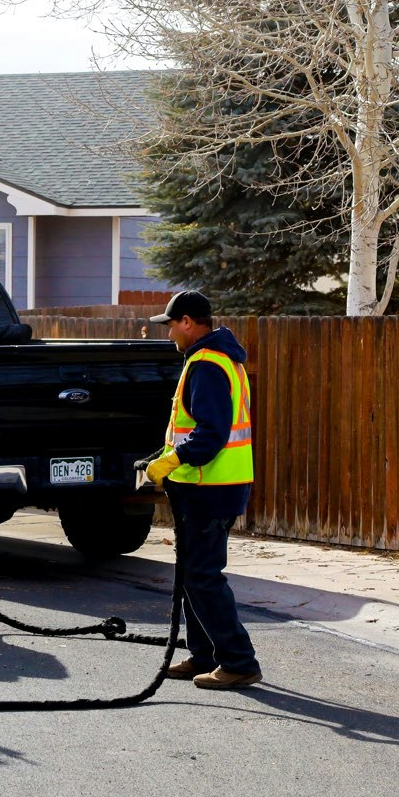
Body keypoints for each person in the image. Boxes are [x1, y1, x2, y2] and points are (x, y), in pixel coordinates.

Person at [141, 290, 264, 689]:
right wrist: (160, 457)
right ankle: (204, 655)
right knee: (194, 574)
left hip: (210, 487)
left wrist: (172, 461)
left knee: (203, 576)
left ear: (189, 322)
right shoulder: (215, 359)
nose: (171, 333)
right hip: (209, 486)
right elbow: (189, 428)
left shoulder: (208, 365)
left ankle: (239, 661)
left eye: (172, 324)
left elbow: (210, 435)